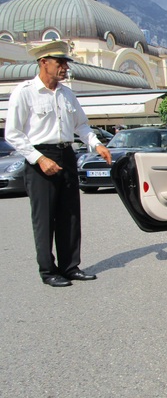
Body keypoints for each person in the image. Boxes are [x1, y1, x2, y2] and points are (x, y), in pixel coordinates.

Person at [5, 41, 112, 287]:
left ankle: (70, 266)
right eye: (59, 62)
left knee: (71, 214)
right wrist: (39, 159)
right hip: (40, 155)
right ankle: (47, 270)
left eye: (65, 63)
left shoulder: (66, 93)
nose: (64, 67)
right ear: (43, 62)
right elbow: (13, 133)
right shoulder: (25, 92)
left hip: (66, 154)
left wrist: (96, 144)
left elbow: (81, 125)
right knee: (45, 217)